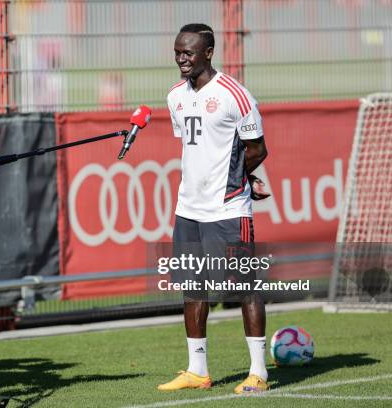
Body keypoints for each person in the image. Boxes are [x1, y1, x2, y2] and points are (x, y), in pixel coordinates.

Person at [158, 24, 270, 394]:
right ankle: (197, 371)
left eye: (188, 52)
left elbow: (256, 149)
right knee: (192, 288)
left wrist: (240, 180)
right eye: (177, 52)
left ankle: (258, 373)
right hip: (188, 209)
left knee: (245, 288)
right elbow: (198, 150)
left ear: (208, 52)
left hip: (228, 210)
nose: (181, 59)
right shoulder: (175, 96)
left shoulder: (234, 95)